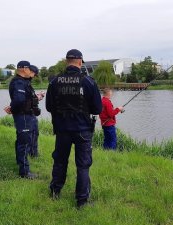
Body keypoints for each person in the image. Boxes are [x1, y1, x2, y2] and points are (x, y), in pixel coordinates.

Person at [46, 49, 102, 208]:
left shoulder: (54, 82)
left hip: (62, 129)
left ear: (66, 61)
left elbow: (49, 106)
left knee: (60, 161)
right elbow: (97, 109)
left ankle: (55, 192)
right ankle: (82, 201)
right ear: (80, 62)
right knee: (83, 165)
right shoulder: (89, 81)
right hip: (83, 130)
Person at [5, 61, 43, 179]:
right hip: (23, 116)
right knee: (24, 143)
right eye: (28, 68)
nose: (30, 70)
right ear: (23, 69)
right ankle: (25, 172)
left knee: (22, 141)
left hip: (25, 115)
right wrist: (13, 108)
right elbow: (19, 100)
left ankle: (20, 163)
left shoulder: (23, 82)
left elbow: (24, 99)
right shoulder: (18, 82)